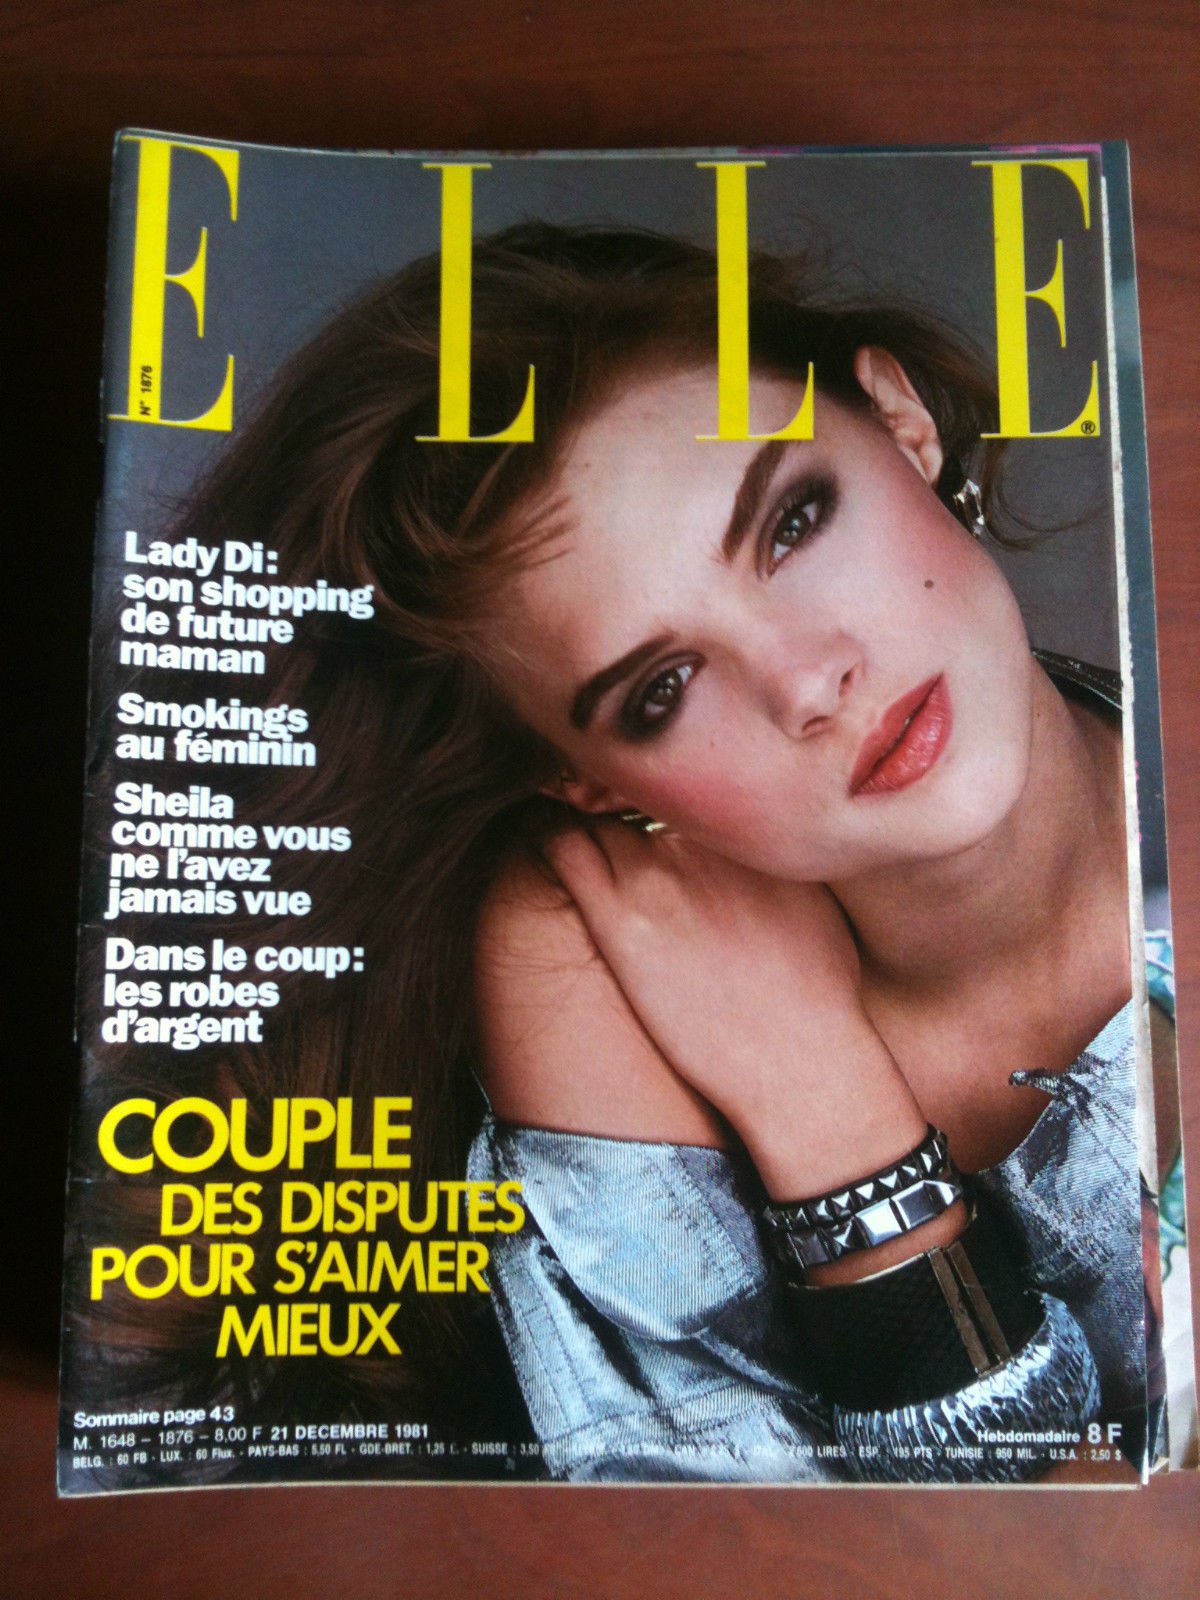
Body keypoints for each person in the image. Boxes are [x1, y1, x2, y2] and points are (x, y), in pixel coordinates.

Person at [76, 222, 1165, 1483]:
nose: (809, 681)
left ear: (902, 425)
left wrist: (835, 1136)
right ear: (582, 778)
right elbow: (780, 1544)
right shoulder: (597, 940)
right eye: (663, 687)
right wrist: (835, 1124)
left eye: (793, 522)